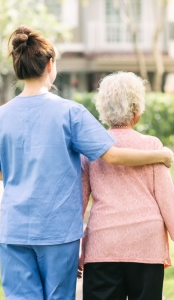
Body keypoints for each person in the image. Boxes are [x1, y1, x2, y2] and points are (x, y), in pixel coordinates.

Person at [0, 26, 173, 300]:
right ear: (50, 65)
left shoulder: (1, 115)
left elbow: (0, 173)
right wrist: (161, 155)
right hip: (57, 231)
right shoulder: (70, 112)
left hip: (14, 229)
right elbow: (112, 154)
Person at [79, 72, 174, 300]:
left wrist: (72, 250)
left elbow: (78, 204)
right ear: (136, 110)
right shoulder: (152, 147)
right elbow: (168, 202)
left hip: (103, 246)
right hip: (146, 245)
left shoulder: (91, 150)